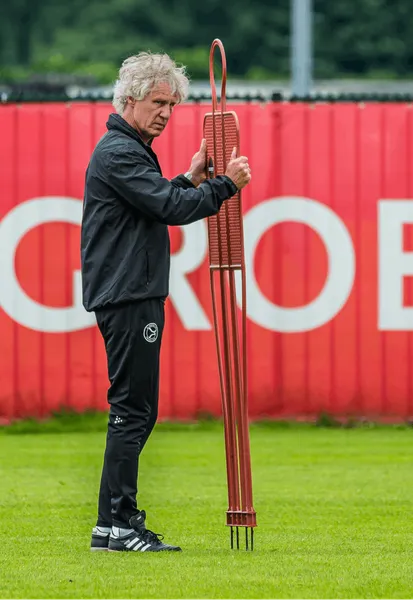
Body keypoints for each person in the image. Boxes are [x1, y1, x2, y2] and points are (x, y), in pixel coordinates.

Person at [80, 51, 251, 553]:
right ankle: (120, 525)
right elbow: (169, 208)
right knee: (133, 411)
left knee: (134, 410)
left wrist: (192, 180)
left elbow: (153, 203)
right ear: (130, 99)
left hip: (129, 291)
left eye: (172, 105)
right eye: (158, 102)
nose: (166, 113)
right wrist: (225, 185)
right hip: (129, 293)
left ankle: (109, 526)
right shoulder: (120, 152)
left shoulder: (127, 150)